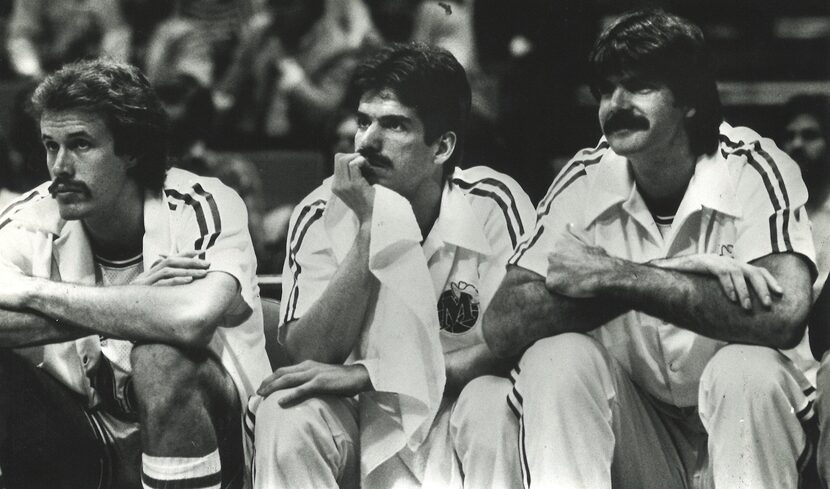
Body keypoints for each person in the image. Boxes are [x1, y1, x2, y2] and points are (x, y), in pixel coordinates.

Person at [483, 10, 817, 489]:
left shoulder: (754, 166)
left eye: (639, 87)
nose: (616, 104)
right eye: (606, 89)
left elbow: (782, 314)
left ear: (691, 102)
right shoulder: (584, 176)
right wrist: (669, 271)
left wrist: (614, 275)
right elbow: (504, 324)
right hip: (639, 436)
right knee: (557, 358)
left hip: (752, 433)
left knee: (745, 369)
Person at [249, 42, 535, 488]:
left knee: (493, 400)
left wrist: (370, 373)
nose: (367, 141)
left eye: (394, 125)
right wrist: (370, 229)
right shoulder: (319, 210)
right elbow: (308, 354)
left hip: (457, 411)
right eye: (364, 121)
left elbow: (513, 344)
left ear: (442, 147)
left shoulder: (494, 203)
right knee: (286, 410)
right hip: (359, 420)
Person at [0, 58, 271, 489]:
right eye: (51, 145)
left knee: (161, 356)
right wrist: (140, 305)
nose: (59, 167)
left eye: (81, 144)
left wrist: (33, 293)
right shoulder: (30, 216)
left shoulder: (201, 203)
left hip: (215, 433)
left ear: (131, 150)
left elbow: (191, 319)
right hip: (88, 439)